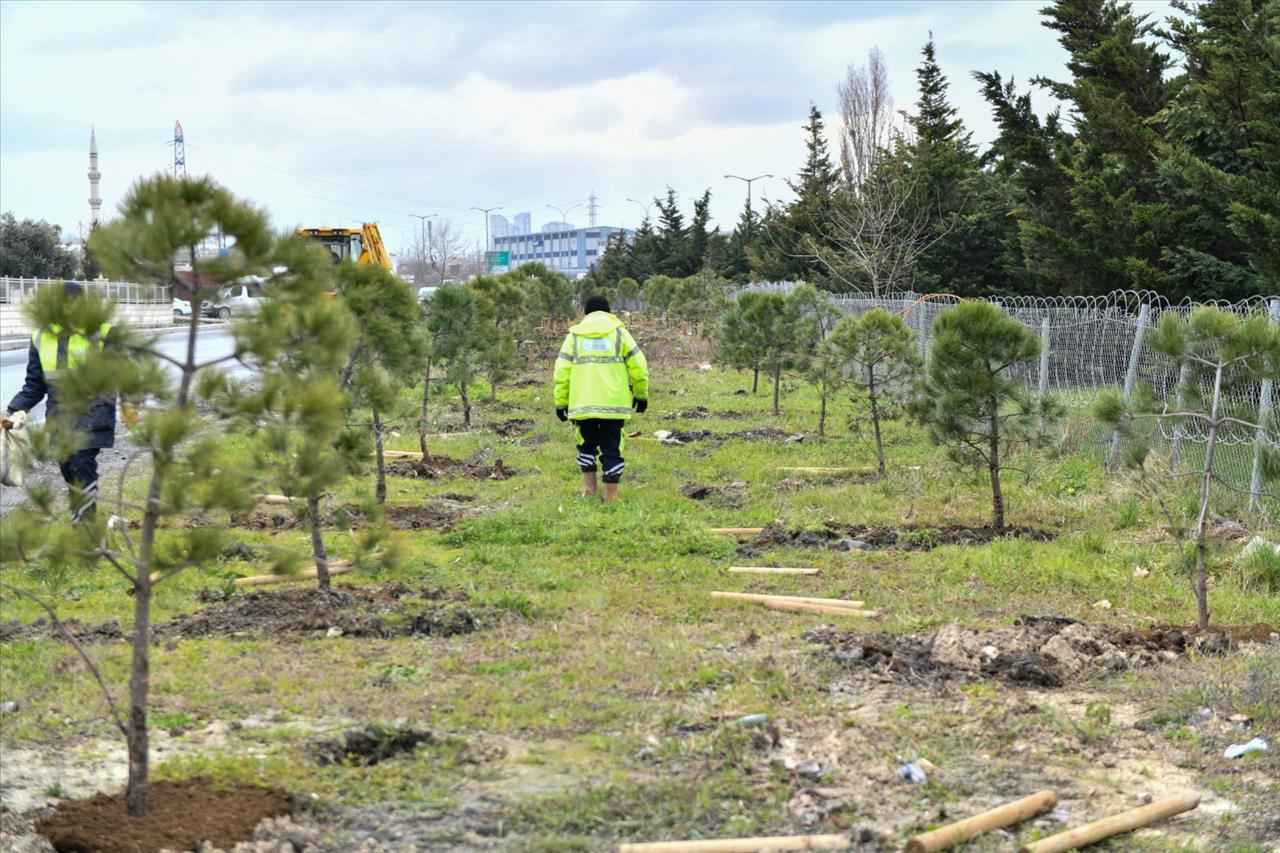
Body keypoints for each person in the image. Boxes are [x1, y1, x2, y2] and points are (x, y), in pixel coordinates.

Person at [3, 282, 116, 523]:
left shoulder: (102, 333)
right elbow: (35, 384)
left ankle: (85, 531)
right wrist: (13, 410)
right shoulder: (41, 337)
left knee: (81, 464)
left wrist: (131, 404)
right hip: (60, 418)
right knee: (67, 468)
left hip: (93, 414)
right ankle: (80, 517)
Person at [553, 294, 649, 502]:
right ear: (608, 313)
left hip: (583, 405)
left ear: (586, 314)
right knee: (612, 448)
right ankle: (611, 496)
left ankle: (589, 490)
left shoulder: (574, 336)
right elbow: (639, 366)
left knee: (585, 446)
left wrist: (561, 402)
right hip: (613, 406)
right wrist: (641, 395)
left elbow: (562, 371)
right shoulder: (620, 334)